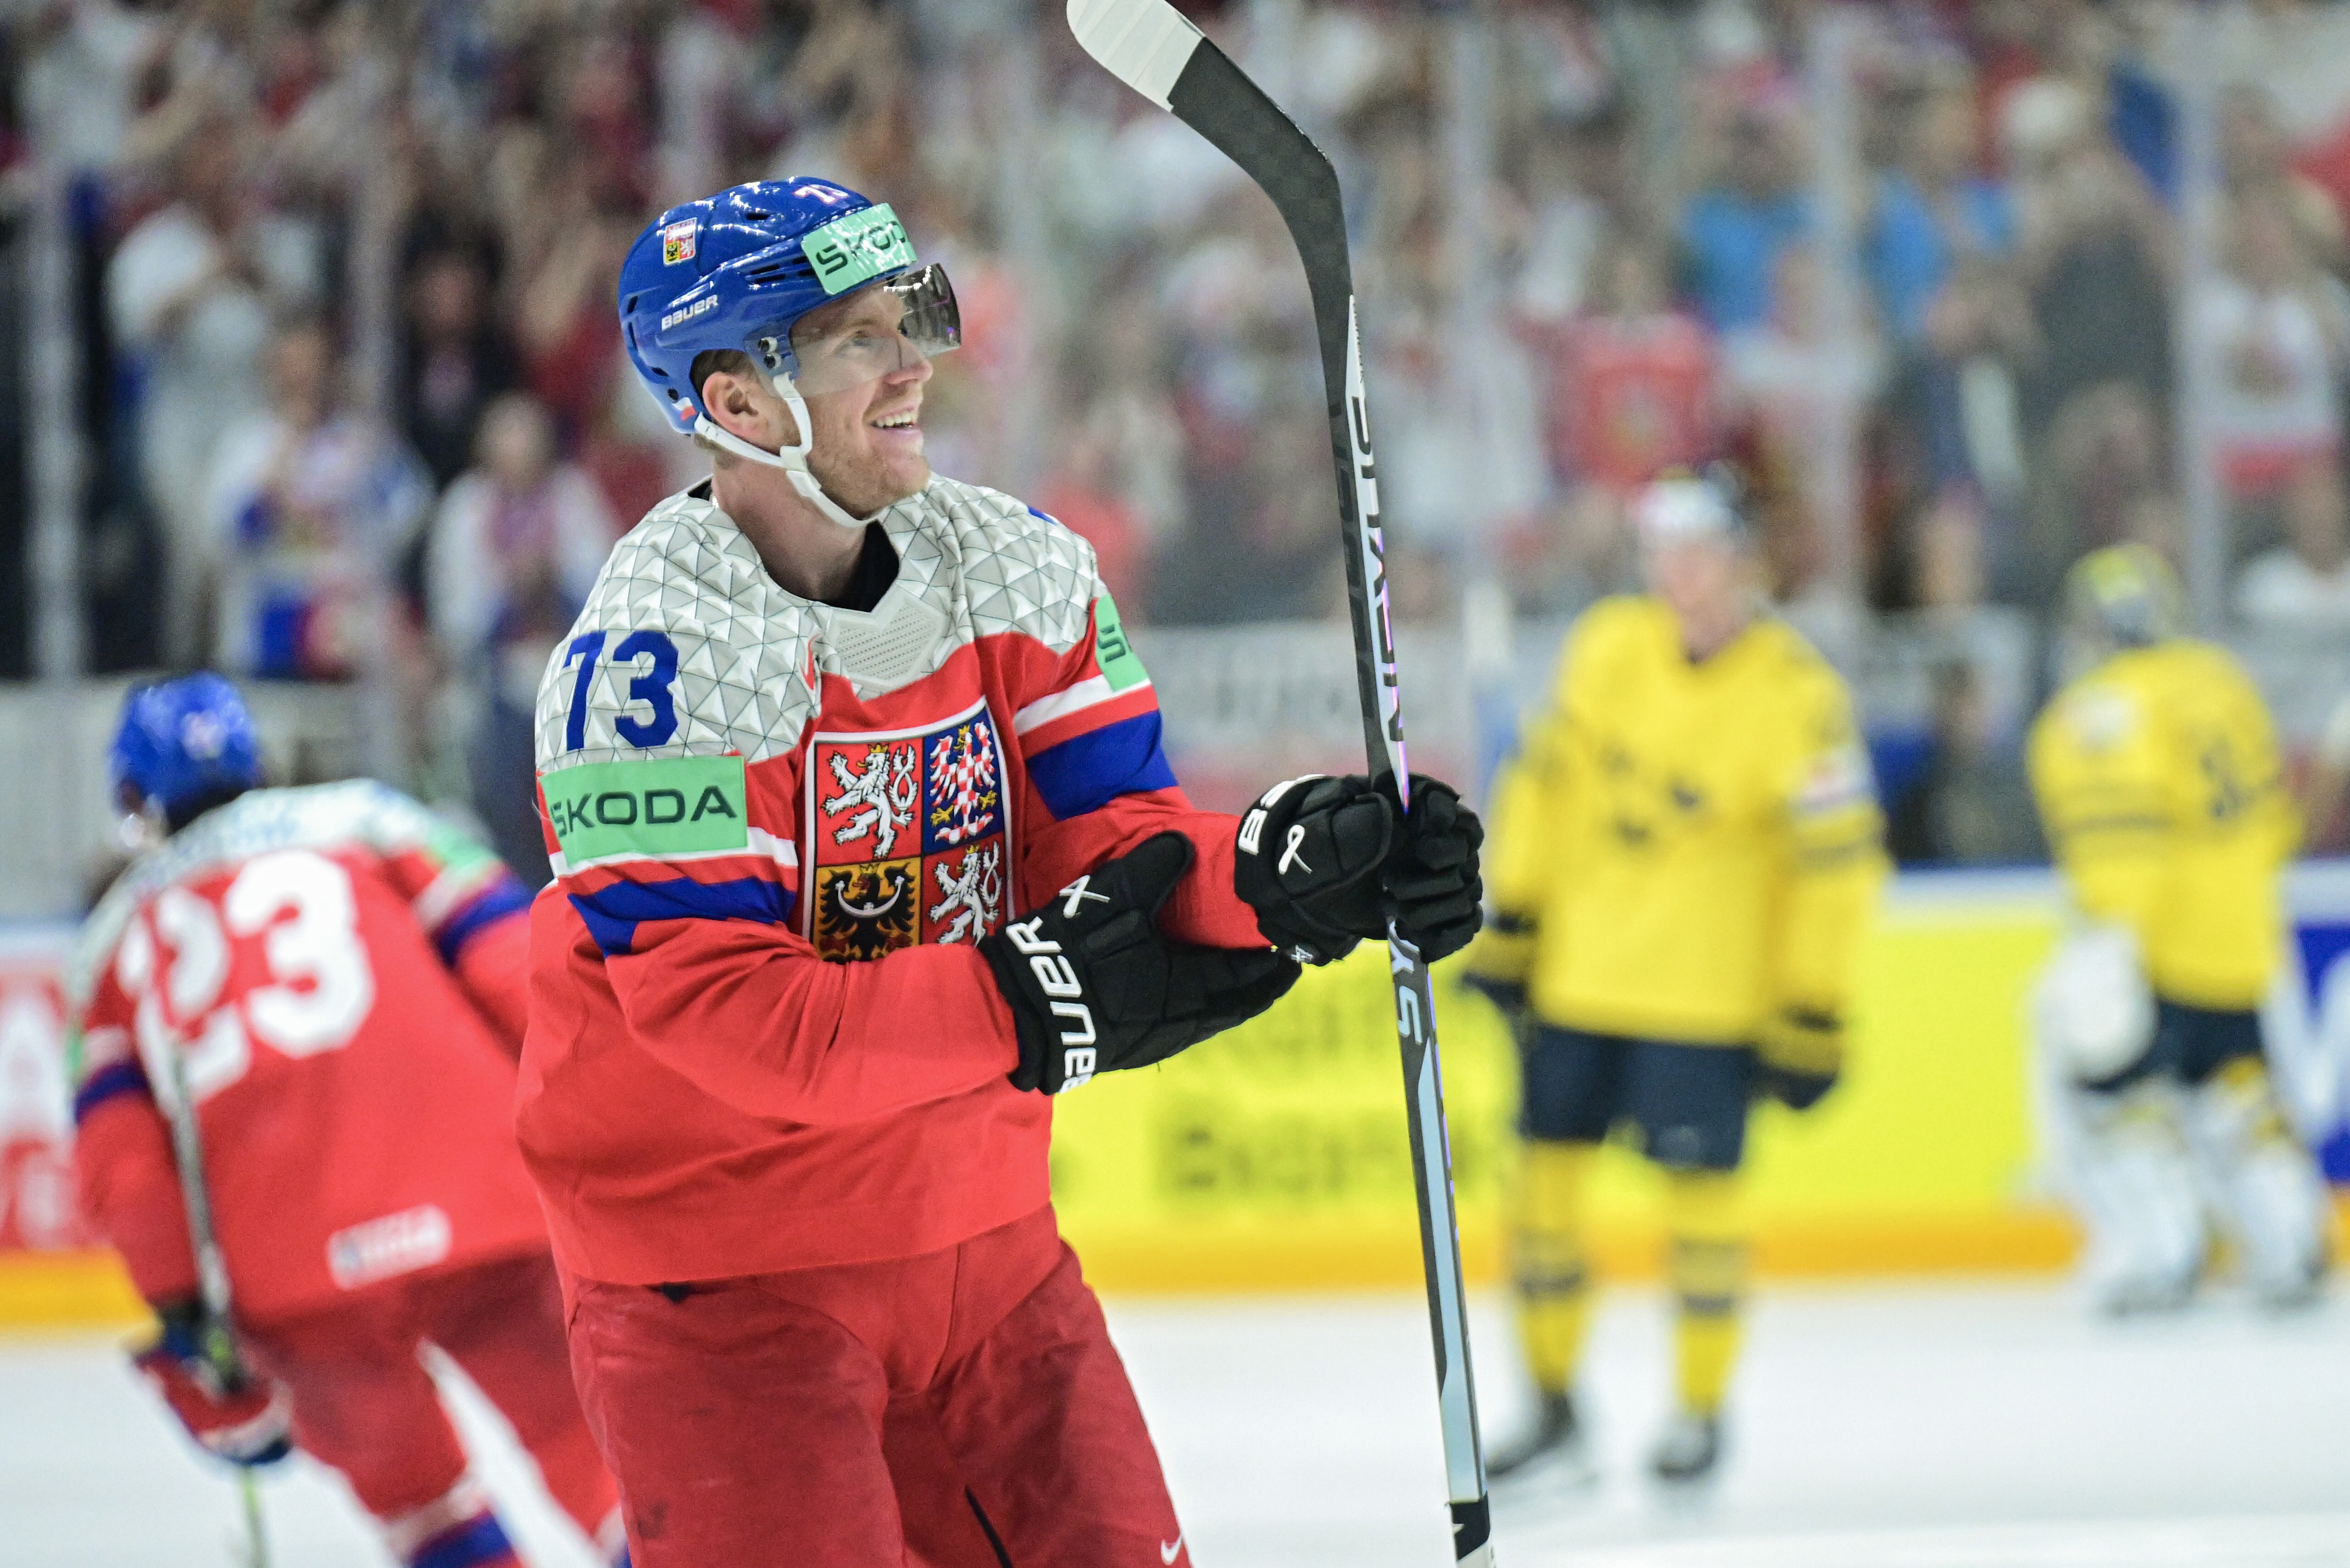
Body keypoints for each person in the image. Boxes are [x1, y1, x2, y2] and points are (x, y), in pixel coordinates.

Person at [523, 178, 1485, 1565]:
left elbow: (1117, 849)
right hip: (719, 1281)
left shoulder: (1014, 569)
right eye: (857, 338)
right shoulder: (648, 674)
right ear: (738, 403)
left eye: (910, 316)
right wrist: (1021, 1002)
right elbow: (726, 1016)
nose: (915, 363)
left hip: (987, 1242)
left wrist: (1283, 872)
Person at [67, 675, 626, 1568]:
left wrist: (185, 1318)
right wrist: (613, 1124)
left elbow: (126, 1176)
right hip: (487, 1202)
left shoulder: (109, 945)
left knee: (424, 1506)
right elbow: (522, 970)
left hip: (292, 1274)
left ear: (133, 800)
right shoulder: (373, 821)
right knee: (598, 1456)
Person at [1465, 473, 1887, 1487]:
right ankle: (1553, 1406)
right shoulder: (1610, 646)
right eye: (1661, 551)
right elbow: (1545, 786)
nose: (1677, 572)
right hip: (1580, 978)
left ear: (1742, 558)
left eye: (1697, 550)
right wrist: (1513, 917)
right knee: (1542, 1196)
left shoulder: (1799, 695)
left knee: (1702, 1209)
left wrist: (1813, 999)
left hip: (1707, 996)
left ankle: (1698, 1410)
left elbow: (1834, 868)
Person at [2028, 545, 2328, 1313]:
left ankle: (2165, 1251)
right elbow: (2272, 814)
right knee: (2236, 1092)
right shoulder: (2221, 681)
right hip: (2241, 929)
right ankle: (2291, 1241)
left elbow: (2120, 838)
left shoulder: (2103, 706)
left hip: (2155, 936)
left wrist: (2109, 932)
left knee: (2113, 1096)